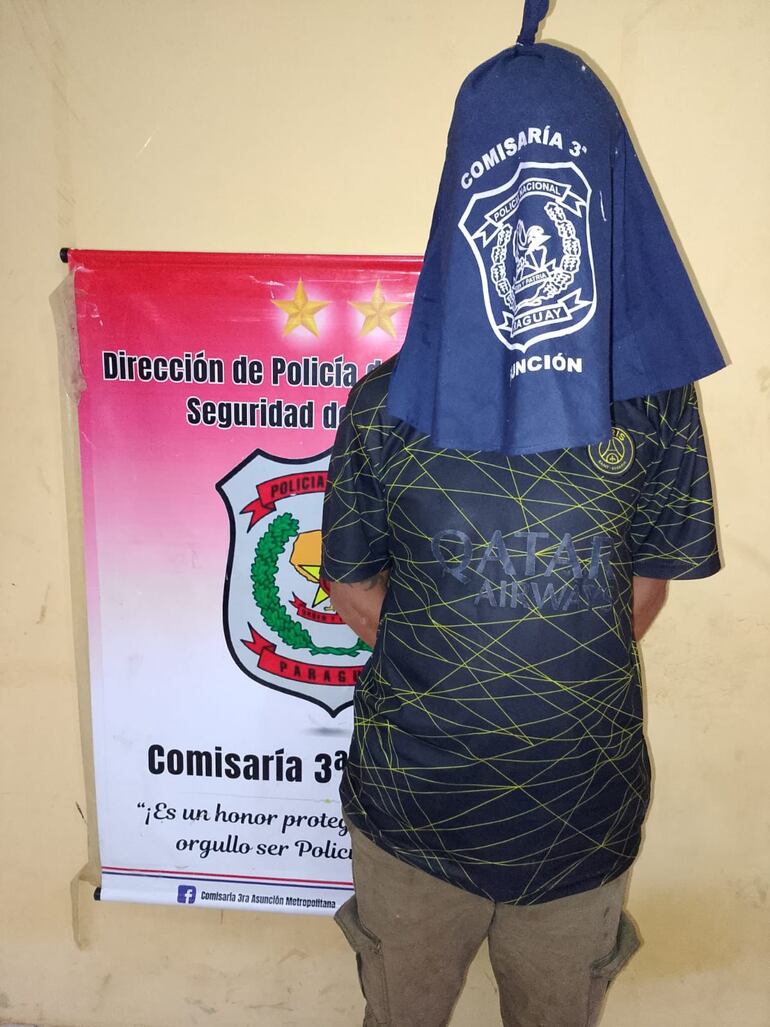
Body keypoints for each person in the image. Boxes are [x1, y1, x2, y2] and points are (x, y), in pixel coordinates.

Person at [320, 356, 720, 1027]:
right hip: (412, 810)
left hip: (581, 816)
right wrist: (458, 663)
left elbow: (644, 584)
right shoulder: (388, 395)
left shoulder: (655, 393)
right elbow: (351, 586)